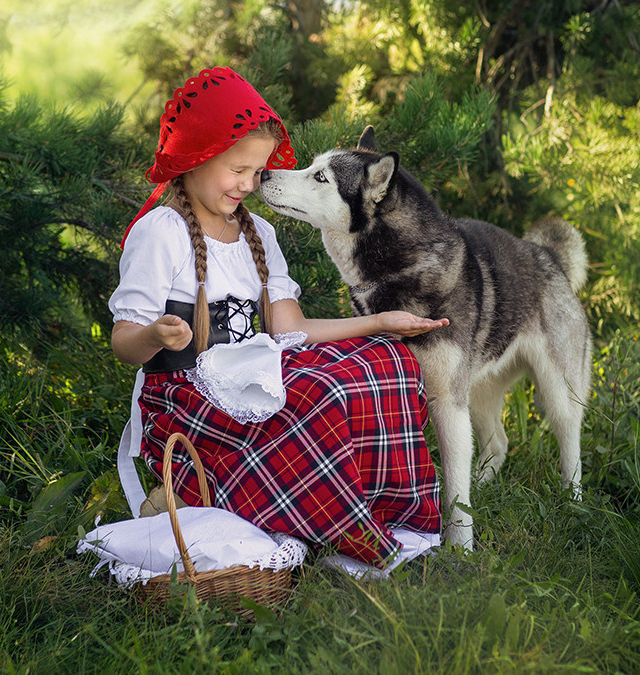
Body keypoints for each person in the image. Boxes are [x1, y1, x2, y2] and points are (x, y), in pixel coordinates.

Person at [110, 66, 447, 569]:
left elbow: (293, 331)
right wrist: (155, 335)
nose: (250, 184)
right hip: (187, 395)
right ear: (196, 157)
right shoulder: (162, 232)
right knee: (320, 395)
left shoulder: (258, 235)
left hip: (254, 373)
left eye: (257, 171)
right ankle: (348, 531)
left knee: (387, 362)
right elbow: (123, 344)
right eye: (238, 170)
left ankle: (395, 518)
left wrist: (379, 324)